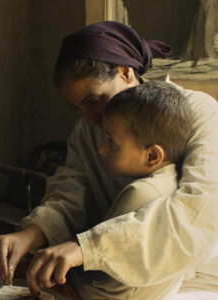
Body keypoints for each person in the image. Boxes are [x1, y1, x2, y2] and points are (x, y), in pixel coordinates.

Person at [0, 21, 218, 299]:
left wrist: (87, 248)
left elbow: (199, 210)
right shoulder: (87, 131)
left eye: (94, 100)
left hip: (193, 275)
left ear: (126, 72)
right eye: (78, 107)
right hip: (112, 277)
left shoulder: (199, 112)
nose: (89, 118)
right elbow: (70, 197)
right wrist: (30, 235)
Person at [72, 81, 194, 298]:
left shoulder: (140, 193)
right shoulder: (171, 180)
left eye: (111, 142)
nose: (101, 150)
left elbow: (101, 274)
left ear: (152, 156)